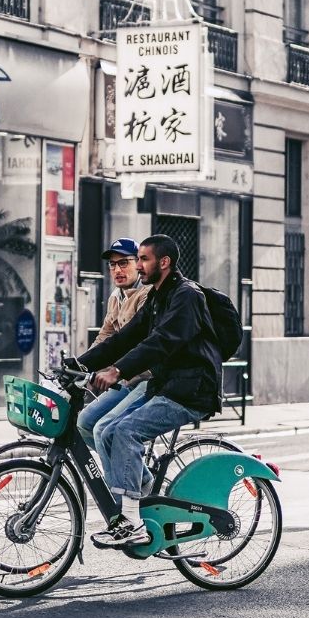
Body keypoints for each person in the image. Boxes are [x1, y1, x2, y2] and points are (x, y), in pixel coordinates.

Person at [75, 234, 223, 548]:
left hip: (192, 390)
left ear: (164, 262)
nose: (139, 266)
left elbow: (162, 342)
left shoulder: (186, 296)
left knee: (126, 431)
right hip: (167, 385)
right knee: (105, 430)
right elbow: (123, 338)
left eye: (143, 259)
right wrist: (78, 364)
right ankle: (132, 504)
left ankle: (131, 523)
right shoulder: (157, 296)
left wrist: (118, 370)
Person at [75, 238, 152, 452]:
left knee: (105, 429)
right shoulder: (115, 297)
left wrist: (113, 371)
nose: (117, 269)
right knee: (84, 423)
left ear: (138, 264)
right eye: (112, 264)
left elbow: (138, 341)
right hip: (125, 379)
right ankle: (122, 471)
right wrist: (80, 366)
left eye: (124, 263)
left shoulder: (147, 295)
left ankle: (138, 481)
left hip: (146, 379)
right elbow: (104, 337)